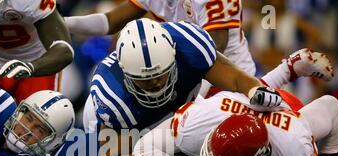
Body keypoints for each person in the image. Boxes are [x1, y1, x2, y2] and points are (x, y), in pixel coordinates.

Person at [133, 48, 338, 156]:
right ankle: (288, 69)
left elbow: (332, 107)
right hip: (234, 104)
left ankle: (289, 69)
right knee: (241, 92)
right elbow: (144, 146)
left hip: (289, 116)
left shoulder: (295, 153)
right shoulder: (197, 122)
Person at [84, 18, 283, 136]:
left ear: (174, 54)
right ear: (125, 73)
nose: (156, 83)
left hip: (183, 107)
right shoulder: (111, 96)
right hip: (133, 128)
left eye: (161, 74)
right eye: (145, 79)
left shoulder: (190, 46)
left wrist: (254, 89)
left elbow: (235, 79)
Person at [64, 0, 256, 76]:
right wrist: (62, 23)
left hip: (228, 78)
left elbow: (211, 50)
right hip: (184, 74)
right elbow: (110, 22)